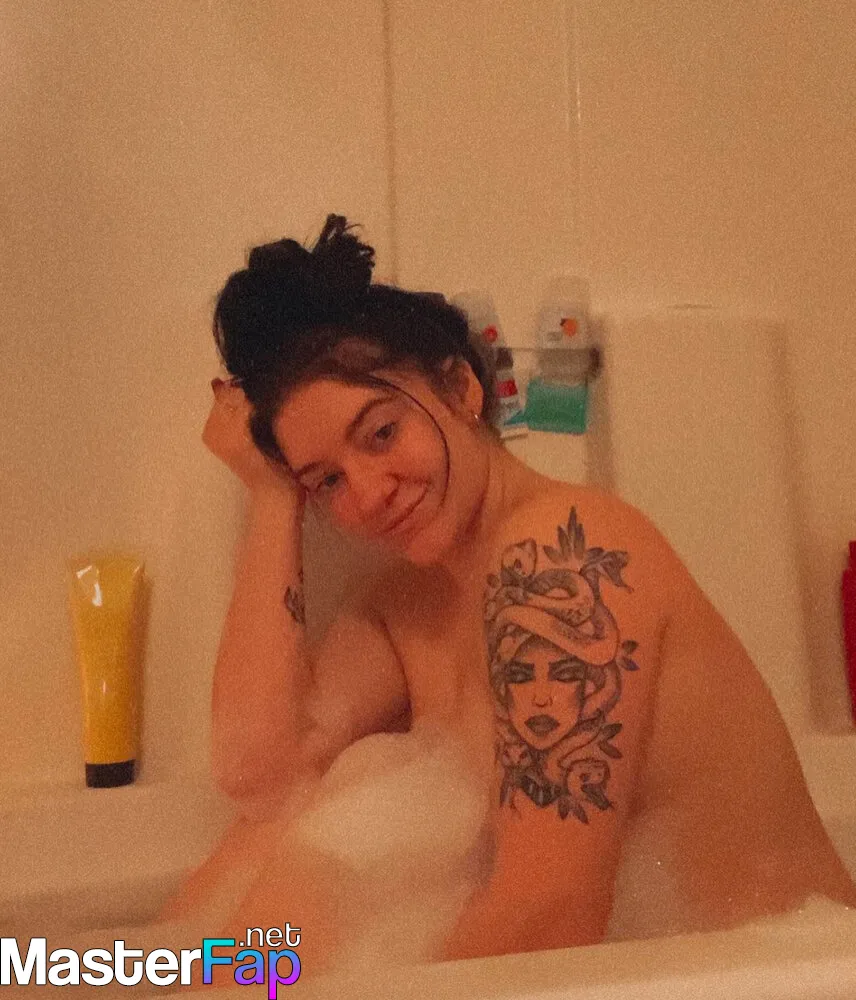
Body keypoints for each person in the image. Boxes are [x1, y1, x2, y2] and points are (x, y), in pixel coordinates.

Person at [167, 214, 855, 974]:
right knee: (252, 862)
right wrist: (271, 495)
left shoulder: (564, 553)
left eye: (382, 434)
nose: (366, 492)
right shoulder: (405, 609)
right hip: (637, 976)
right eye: (326, 480)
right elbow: (261, 777)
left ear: (460, 387)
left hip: (779, 978)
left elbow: (549, 917)